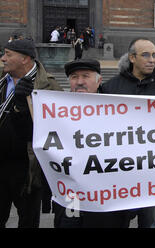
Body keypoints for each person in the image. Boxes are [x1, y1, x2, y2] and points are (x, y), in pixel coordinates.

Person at [52, 59, 132, 228]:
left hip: (108, 200)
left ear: (98, 81)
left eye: (85, 76)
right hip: (70, 198)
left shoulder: (118, 111)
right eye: (74, 77)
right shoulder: (54, 111)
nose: (80, 82)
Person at [102, 37, 155, 227]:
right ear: (132, 58)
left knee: (153, 222)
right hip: (120, 170)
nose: (152, 60)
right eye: (146, 55)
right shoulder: (110, 87)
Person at [0, 39, 62, 228]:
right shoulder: (2, 80)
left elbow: (56, 129)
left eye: (8, 54)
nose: (3, 58)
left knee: (28, 220)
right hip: (0, 164)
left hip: (28, 168)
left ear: (25, 58)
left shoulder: (48, 85)